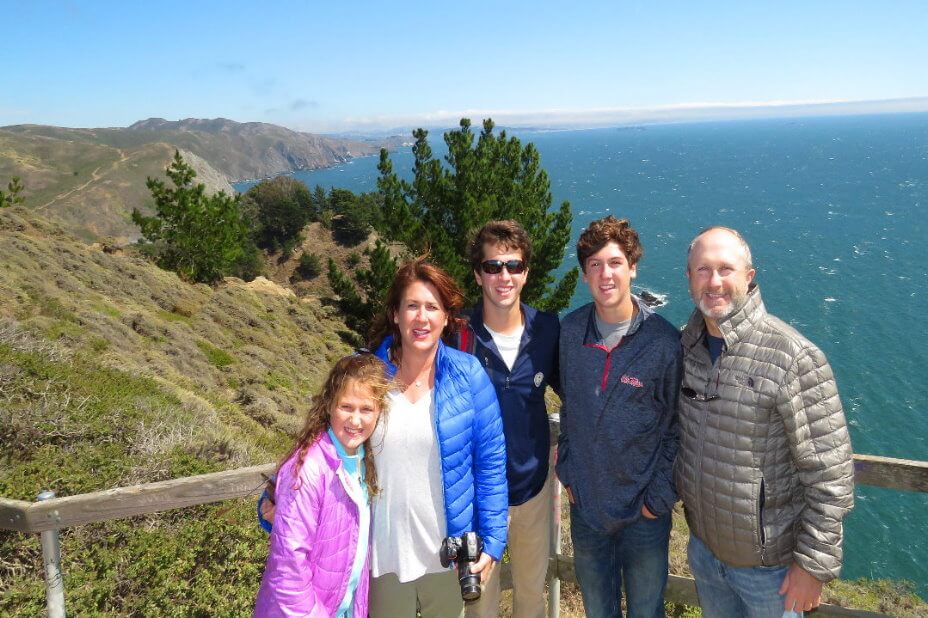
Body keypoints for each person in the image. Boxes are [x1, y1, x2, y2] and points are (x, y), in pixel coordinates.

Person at [675, 226, 855, 617]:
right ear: (689, 278)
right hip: (704, 553)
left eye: (726, 269)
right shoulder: (686, 347)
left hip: (772, 571)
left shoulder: (793, 357)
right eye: (703, 269)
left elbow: (830, 475)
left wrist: (812, 566)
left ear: (749, 276)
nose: (714, 281)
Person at [555, 216, 682, 618]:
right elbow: (570, 406)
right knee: (597, 611)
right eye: (594, 265)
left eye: (614, 262)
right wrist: (568, 473)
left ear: (632, 267)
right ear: (584, 274)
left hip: (644, 515)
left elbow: (678, 427)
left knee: (646, 611)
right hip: (587, 509)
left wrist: (656, 501)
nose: (605, 274)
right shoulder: (570, 333)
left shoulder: (664, 342)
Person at [367, 256, 508, 618]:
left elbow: (490, 465)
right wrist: (278, 499)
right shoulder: (365, 377)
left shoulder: (469, 375)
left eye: (432, 307)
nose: (422, 317)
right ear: (395, 314)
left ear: (446, 317)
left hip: (448, 558)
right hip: (381, 557)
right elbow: (326, 448)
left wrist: (493, 542)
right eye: (412, 306)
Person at [461, 221, 560, 618]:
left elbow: (582, 391)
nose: (504, 276)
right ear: (478, 274)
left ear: (526, 273)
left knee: (531, 598)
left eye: (514, 266)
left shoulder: (547, 329)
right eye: (493, 266)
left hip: (532, 489)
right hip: (476, 495)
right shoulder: (457, 334)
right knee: (478, 605)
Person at [253, 353, 390, 617]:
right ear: (329, 406)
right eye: (346, 407)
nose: (355, 421)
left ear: (379, 412)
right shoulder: (309, 469)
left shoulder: (362, 461)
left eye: (366, 409)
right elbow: (289, 567)